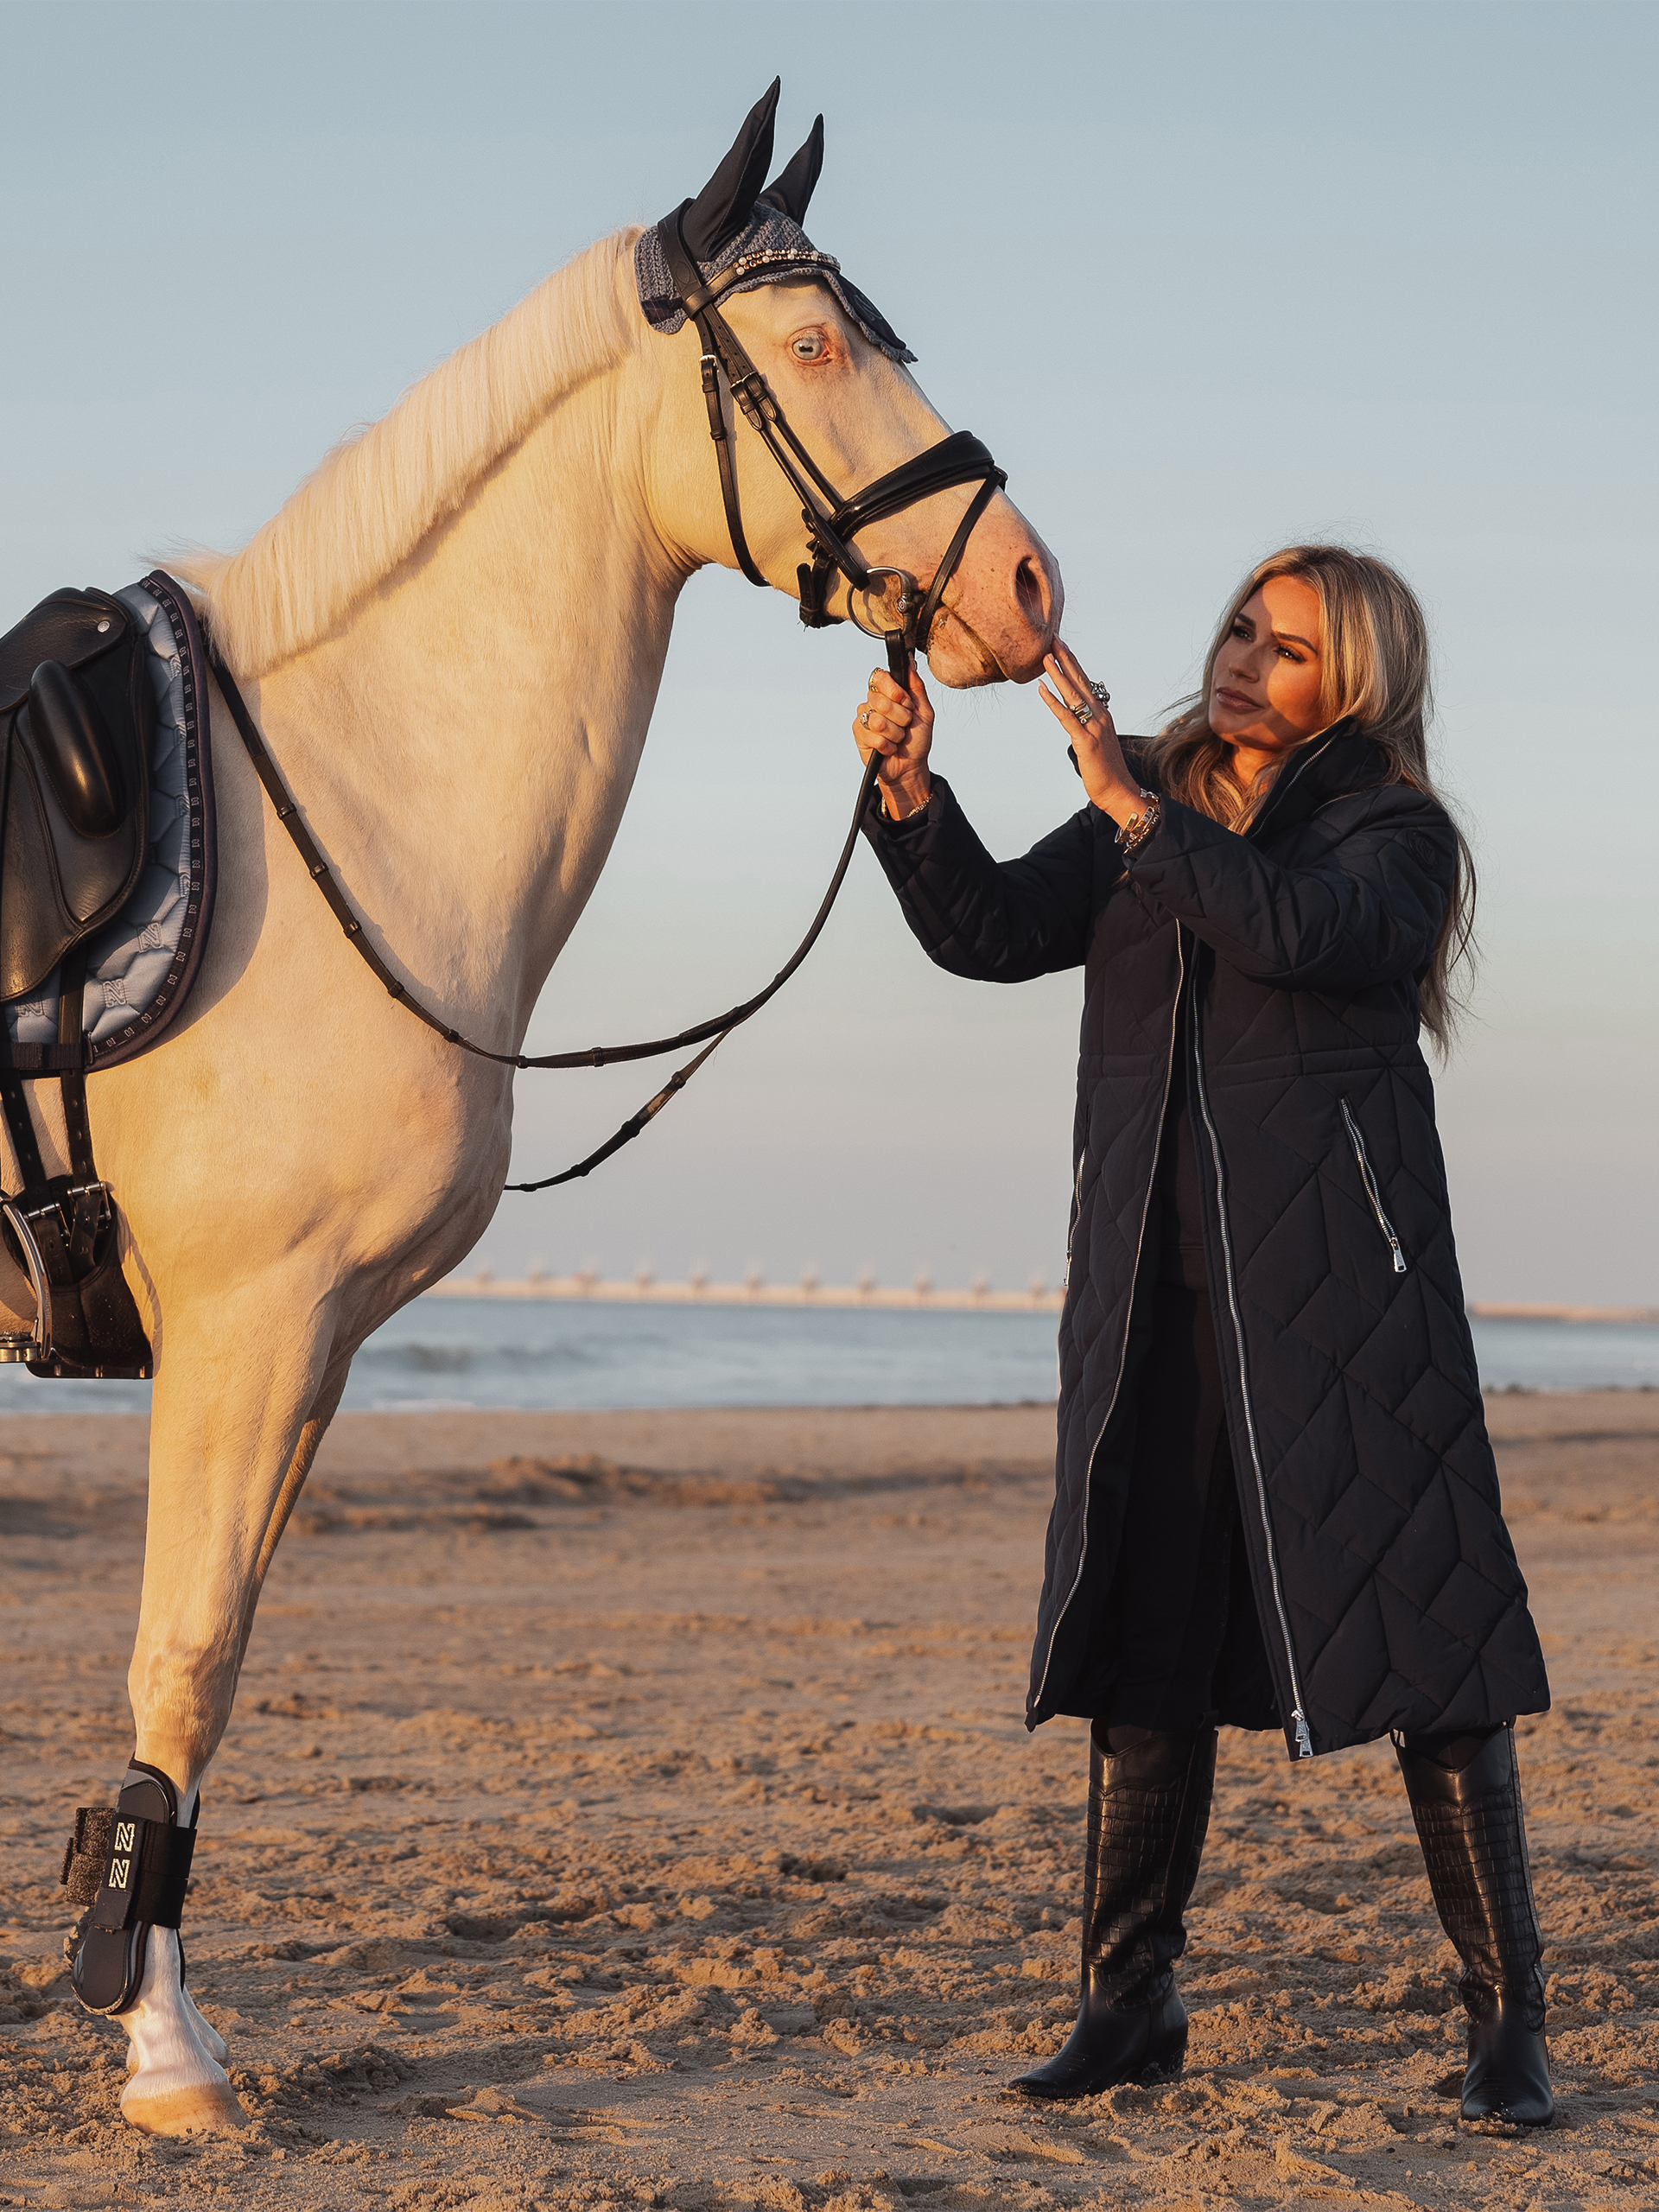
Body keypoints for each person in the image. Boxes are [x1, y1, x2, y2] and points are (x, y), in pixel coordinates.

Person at [852, 545, 1553, 2126]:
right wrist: (910, 795)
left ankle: (1508, 2021)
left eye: (1288, 649)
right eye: (1242, 627)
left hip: (1344, 1294)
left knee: (1425, 1641)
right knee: (1144, 1628)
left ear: (1351, 684)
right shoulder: (1147, 802)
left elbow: (1301, 933)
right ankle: (1128, 2003)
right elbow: (989, 929)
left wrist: (1134, 811)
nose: (1243, 661)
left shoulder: (1396, 833)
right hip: (1153, 1283)